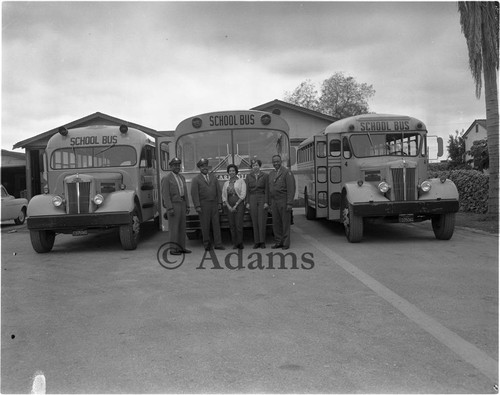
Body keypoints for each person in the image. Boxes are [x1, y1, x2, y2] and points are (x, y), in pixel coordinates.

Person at [190, 158, 225, 251]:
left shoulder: (213, 177)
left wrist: (219, 203)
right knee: (205, 225)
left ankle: (218, 244)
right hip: (203, 205)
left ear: (208, 166)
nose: (204, 168)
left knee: (216, 225)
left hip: (214, 204)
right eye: (202, 166)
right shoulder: (196, 179)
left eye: (205, 165)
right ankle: (207, 244)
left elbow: (218, 191)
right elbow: (194, 193)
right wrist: (197, 206)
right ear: (199, 168)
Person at [161, 157, 191, 255]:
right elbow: (165, 195)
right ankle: (173, 249)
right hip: (173, 205)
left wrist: (187, 205)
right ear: (171, 166)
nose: (177, 167)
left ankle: (182, 247)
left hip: (182, 204)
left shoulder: (181, 177)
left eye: (178, 165)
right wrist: (169, 208)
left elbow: (185, 192)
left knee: (182, 227)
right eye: (175, 165)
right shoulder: (167, 178)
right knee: (174, 228)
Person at [268, 154, 295, 250]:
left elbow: (291, 189)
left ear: (281, 162)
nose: (275, 163)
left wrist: (289, 203)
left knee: (285, 223)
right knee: (276, 223)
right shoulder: (271, 174)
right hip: (274, 201)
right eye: (274, 162)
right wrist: (270, 203)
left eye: (277, 161)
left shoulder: (287, 172)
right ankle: (278, 242)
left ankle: (286, 243)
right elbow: (269, 189)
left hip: (283, 201)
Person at [245, 159, 269, 249]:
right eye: (253, 165)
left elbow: (267, 189)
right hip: (252, 198)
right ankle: (256, 242)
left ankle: (262, 241)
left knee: (262, 220)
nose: (255, 167)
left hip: (262, 197)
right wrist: (247, 202)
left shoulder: (265, 176)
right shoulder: (248, 176)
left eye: (256, 165)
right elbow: (247, 190)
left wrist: (266, 202)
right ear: (251, 167)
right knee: (254, 221)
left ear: (260, 166)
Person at [222, 164, 246, 249]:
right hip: (229, 205)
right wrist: (228, 206)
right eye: (230, 171)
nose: (231, 172)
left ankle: (240, 243)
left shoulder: (241, 181)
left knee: (238, 224)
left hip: (239, 204)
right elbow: (224, 196)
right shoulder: (226, 183)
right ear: (228, 172)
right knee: (232, 225)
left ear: (236, 172)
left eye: (233, 170)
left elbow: (243, 195)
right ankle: (235, 243)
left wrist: (235, 205)